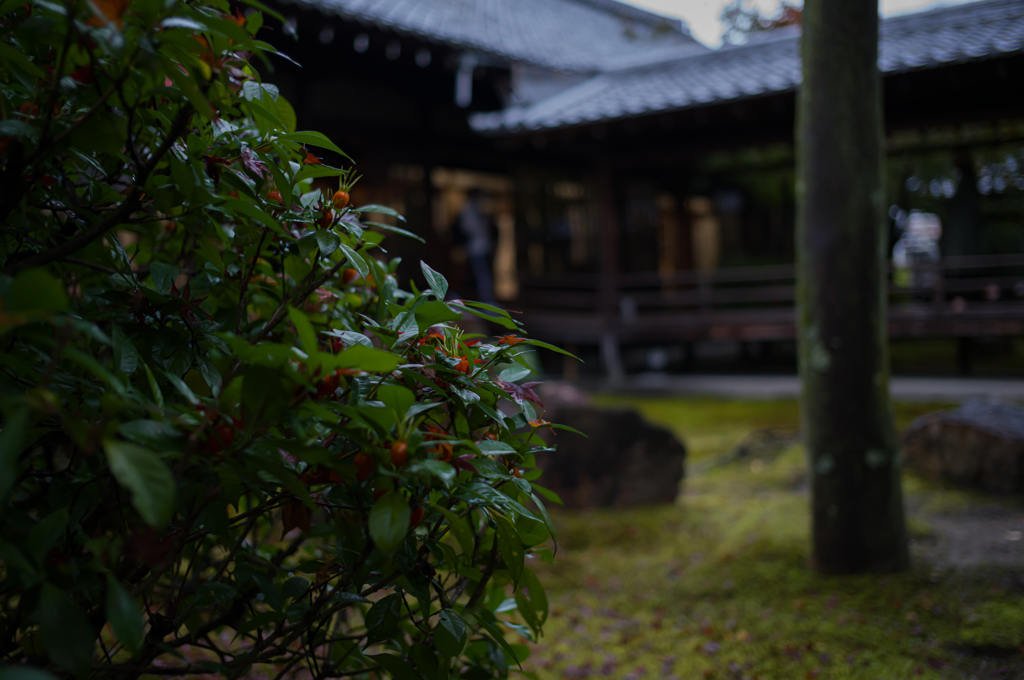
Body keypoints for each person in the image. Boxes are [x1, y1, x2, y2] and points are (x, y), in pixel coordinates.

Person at [455, 188, 496, 303]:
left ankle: (486, 301)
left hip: (480, 247)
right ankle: (486, 302)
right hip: (475, 248)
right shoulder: (468, 210)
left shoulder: (475, 209)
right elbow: (470, 229)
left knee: (481, 276)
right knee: (481, 276)